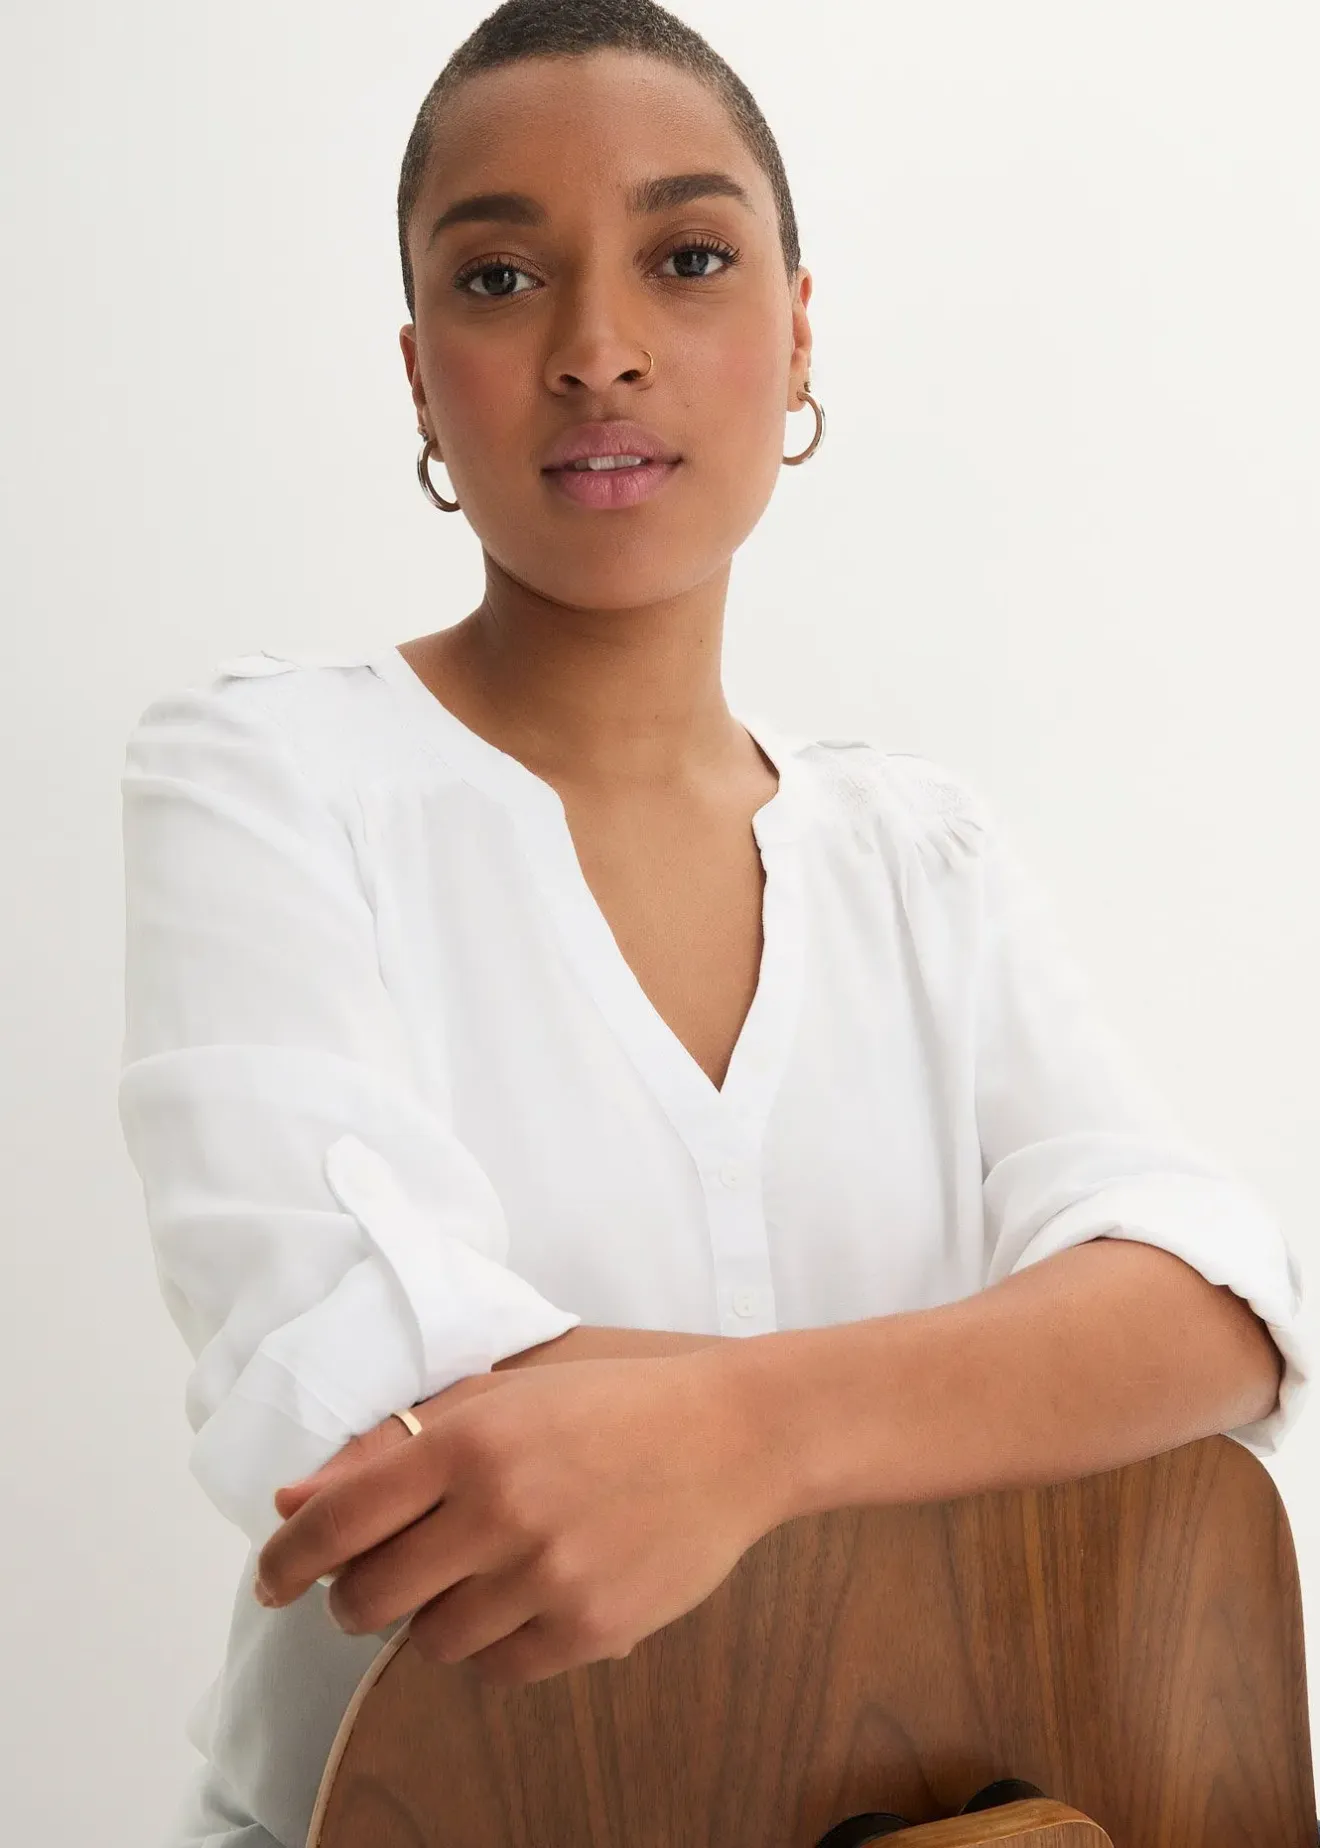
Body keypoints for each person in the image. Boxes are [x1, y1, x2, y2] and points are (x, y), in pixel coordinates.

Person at [117, 4, 1308, 1844]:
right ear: (422, 373)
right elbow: (361, 1402)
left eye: (686, 258)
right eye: (500, 278)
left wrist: (749, 1440)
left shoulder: (923, 853)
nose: (599, 349)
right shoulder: (267, 774)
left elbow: (1218, 1307)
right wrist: (990, 1388)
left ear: (800, 327)